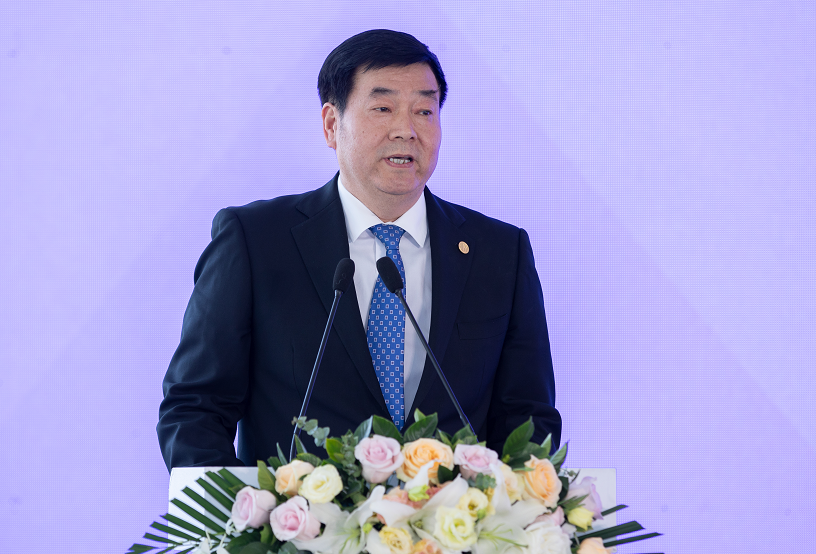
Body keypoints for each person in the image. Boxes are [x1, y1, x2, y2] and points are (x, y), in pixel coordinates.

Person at [157, 29, 561, 470]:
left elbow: (527, 418)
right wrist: (246, 507)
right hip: (297, 514)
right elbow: (196, 408)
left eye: (424, 111)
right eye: (383, 108)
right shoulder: (255, 240)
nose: (406, 130)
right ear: (332, 125)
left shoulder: (498, 252)